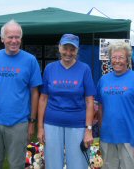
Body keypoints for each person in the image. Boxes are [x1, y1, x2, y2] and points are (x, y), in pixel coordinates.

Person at [0, 20, 42, 169]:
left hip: (18, 123)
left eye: (17, 37)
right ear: (2, 39)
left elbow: (35, 93)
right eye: (10, 37)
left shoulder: (30, 60)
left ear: (21, 38)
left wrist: (31, 122)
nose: (14, 40)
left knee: (17, 165)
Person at [37, 33, 96, 169]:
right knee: (52, 165)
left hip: (77, 124)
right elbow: (43, 99)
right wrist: (40, 128)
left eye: (72, 49)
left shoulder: (84, 69)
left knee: (78, 165)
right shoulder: (50, 69)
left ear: (77, 50)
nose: (68, 53)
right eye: (65, 48)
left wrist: (88, 130)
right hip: (52, 123)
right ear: (59, 48)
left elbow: (89, 101)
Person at [97, 42, 134, 169]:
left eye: (121, 57)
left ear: (127, 59)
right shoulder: (103, 80)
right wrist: (102, 128)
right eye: (114, 57)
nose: (117, 61)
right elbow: (100, 107)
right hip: (108, 137)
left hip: (130, 137)